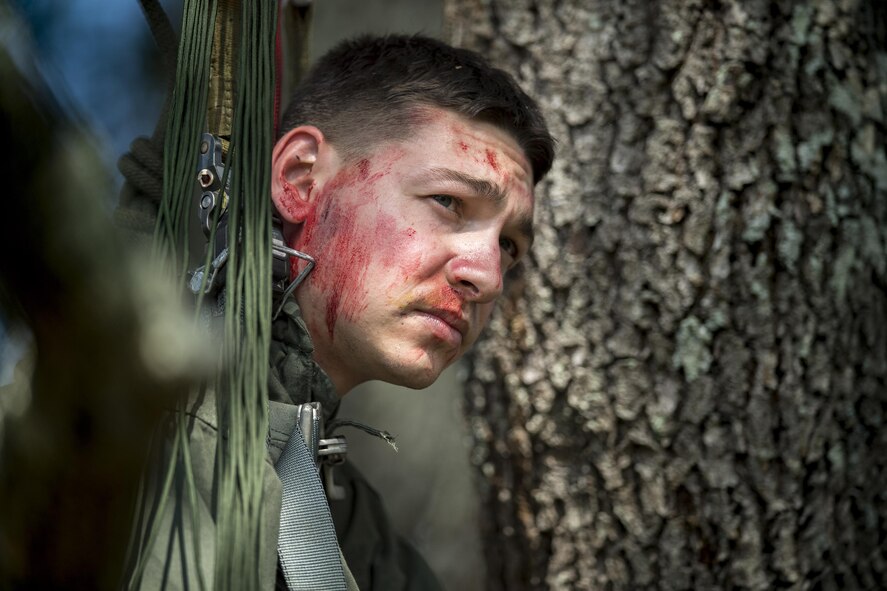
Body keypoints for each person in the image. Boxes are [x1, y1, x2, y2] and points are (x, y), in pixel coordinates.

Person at [129, 33, 554, 590]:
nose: (488, 276)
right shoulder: (140, 424)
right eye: (448, 202)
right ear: (300, 179)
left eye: (508, 246)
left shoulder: (353, 528)